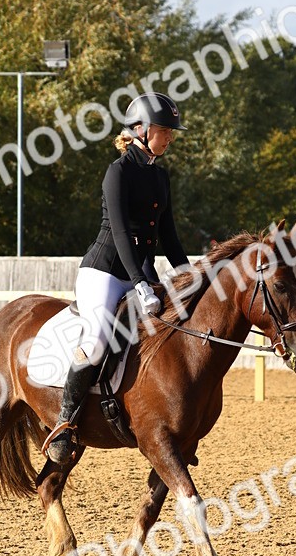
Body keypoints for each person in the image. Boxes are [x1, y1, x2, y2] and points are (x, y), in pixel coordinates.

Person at [42, 91, 192, 464]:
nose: (170, 137)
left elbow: (168, 235)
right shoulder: (118, 172)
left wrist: (190, 275)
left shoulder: (160, 176)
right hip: (105, 272)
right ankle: (65, 422)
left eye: (171, 131)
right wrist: (140, 283)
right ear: (141, 130)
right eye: (164, 130)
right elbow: (123, 234)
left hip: (140, 271)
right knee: (95, 342)